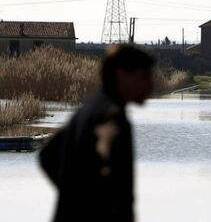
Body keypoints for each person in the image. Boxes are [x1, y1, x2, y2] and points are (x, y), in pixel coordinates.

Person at [39, 44, 155, 222]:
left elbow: (48, 156)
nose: (150, 85)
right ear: (122, 75)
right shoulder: (113, 117)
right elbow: (107, 151)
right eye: (144, 77)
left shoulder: (89, 107)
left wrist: (74, 197)